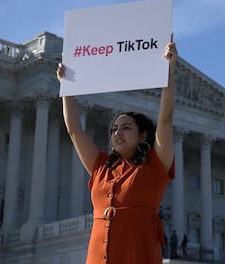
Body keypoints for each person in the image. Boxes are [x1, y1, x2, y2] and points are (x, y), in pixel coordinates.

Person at [56, 37, 178, 264]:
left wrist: (168, 71)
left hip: (138, 253)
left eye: (126, 127)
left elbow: (166, 119)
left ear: (143, 135)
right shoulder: (101, 166)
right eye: (114, 129)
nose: (117, 133)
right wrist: (67, 88)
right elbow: (74, 130)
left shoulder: (155, 165)